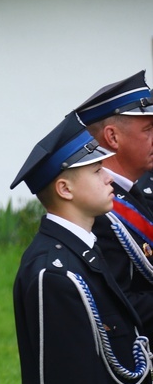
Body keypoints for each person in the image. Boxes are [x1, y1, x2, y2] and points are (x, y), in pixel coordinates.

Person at [10, 113, 153, 384]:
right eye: (98, 170)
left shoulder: (84, 251)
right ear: (65, 188)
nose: (109, 178)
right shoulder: (54, 273)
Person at [73, 70, 153, 336]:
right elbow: (118, 305)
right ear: (113, 137)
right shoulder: (99, 212)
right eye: (149, 129)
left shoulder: (133, 193)